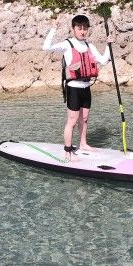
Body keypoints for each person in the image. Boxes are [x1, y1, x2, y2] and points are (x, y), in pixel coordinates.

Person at [42, 14, 113, 160]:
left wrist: (108, 45)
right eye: (79, 28)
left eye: (85, 28)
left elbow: (103, 60)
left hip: (86, 88)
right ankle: (68, 152)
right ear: (73, 29)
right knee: (72, 121)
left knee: (84, 118)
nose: (82, 31)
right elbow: (46, 47)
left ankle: (83, 144)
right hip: (73, 88)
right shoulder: (67, 44)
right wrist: (54, 28)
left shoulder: (89, 46)